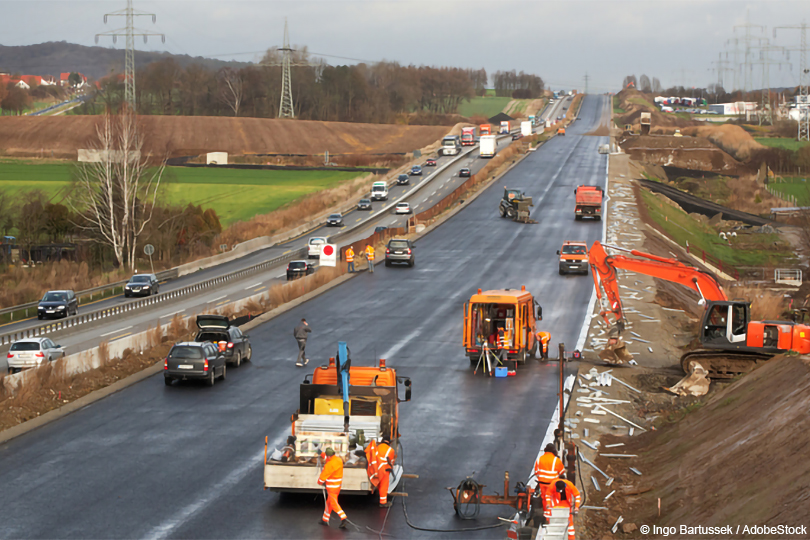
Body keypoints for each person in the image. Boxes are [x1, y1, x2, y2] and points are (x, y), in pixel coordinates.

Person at [318, 448, 347, 528]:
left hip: (331, 486)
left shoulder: (329, 465)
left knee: (333, 503)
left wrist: (320, 482)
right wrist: (322, 453)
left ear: (329, 456)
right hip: (337, 486)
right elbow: (327, 459)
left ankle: (343, 518)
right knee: (329, 503)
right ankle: (325, 519)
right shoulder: (338, 460)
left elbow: (322, 477)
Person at [533, 443, 564, 511]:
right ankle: (555, 512)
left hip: (542, 483)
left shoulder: (539, 459)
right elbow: (562, 472)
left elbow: (536, 472)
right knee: (555, 497)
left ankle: (546, 513)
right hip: (553, 484)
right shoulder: (556, 460)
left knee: (545, 498)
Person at [375, 437, 396, 507]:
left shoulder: (376, 447)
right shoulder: (391, 450)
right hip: (384, 469)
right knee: (384, 485)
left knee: (378, 484)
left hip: (375, 469)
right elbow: (391, 462)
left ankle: (379, 494)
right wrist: (390, 469)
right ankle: (383, 502)